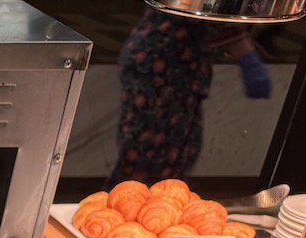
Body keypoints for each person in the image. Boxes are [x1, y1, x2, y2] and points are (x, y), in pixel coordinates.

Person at [111, 7, 271, 186]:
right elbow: (213, 12)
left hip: (184, 68)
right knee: (145, 160)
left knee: (179, 154)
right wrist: (246, 55)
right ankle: (116, 210)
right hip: (159, 64)